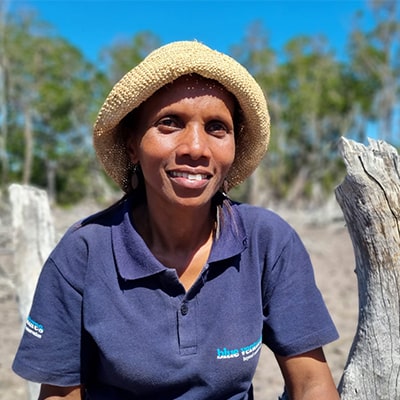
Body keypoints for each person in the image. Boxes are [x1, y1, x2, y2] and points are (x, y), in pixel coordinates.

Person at [13, 41, 340, 400]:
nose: (195, 148)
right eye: (169, 123)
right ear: (132, 145)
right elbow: (60, 394)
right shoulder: (84, 254)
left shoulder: (266, 241)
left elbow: (311, 383)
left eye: (217, 127)